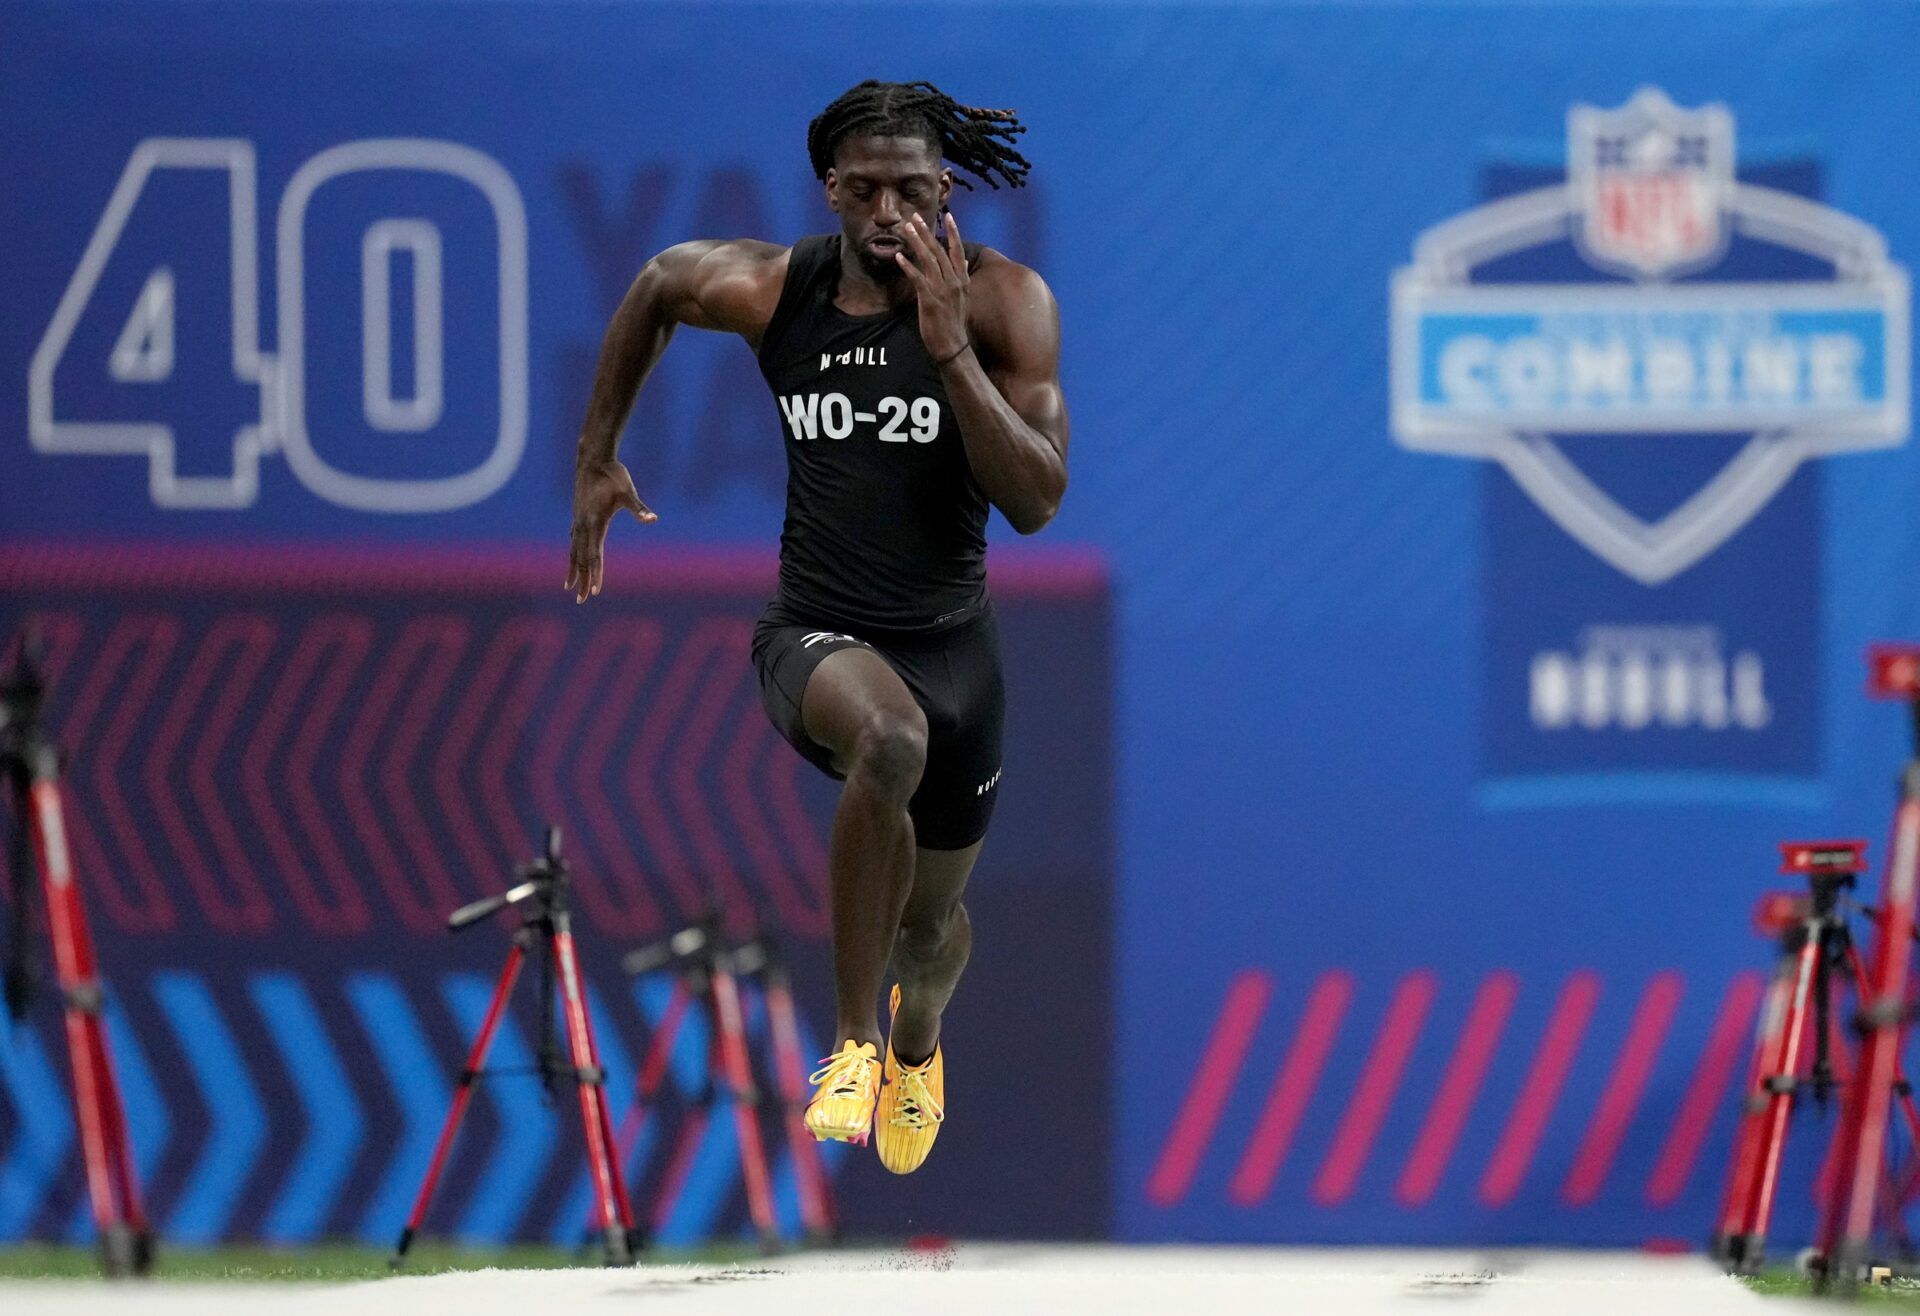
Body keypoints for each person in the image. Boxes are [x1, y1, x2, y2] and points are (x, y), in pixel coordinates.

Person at [566, 80, 1068, 1174]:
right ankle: (851, 1042)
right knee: (886, 741)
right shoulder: (775, 288)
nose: (888, 212)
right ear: (831, 190)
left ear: (947, 192)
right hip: (818, 636)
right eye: (867, 189)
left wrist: (948, 351)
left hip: (956, 652)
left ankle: (917, 1044)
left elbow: (1036, 500)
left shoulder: (1003, 302)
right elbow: (658, 282)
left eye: (912, 189)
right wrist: (599, 453)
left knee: (929, 932)